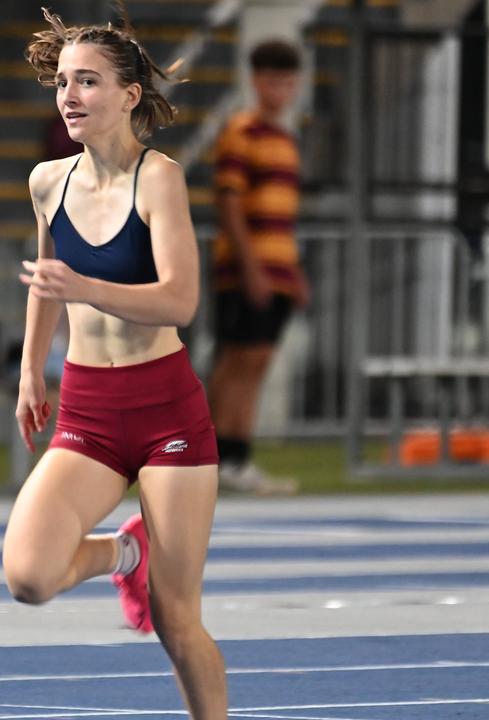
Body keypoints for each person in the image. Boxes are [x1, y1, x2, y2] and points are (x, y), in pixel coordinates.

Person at [2, 6, 227, 717]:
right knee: (29, 577)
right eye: (64, 82)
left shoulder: (158, 178)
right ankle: (124, 554)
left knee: (176, 621)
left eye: (89, 82)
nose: (70, 96)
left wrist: (87, 287)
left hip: (167, 417)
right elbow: (47, 277)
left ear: (130, 97)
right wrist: (30, 368)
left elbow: (180, 301)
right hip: (89, 413)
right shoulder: (49, 182)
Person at [206, 39, 309, 496]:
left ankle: (235, 455)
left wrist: (294, 273)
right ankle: (212, 457)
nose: (279, 90)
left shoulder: (286, 140)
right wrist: (250, 267)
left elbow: (283, 215)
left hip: (278, 266)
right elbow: (229, 204)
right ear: (255, 81)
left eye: (287, 82)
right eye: (271, 80)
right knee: (236, 359)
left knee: (258, 361)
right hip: (245, 267)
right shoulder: (240, 132)